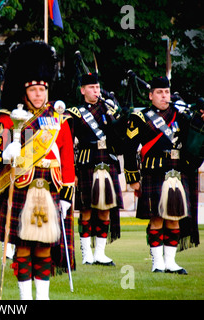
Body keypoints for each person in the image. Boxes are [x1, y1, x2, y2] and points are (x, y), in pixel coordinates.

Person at [0, 41, 76, 300]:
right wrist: (6, 153)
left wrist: (68, 198)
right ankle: (26, 297)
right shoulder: (6, 118)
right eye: (34, 89)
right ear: (24, 91)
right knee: (23, 245)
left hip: (52, 184)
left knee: (45, 244)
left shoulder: (59, 120)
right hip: (22, 184)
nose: (39, 94)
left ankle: (43, 296)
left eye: (42, 89)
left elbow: (68, 159)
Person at [124, 76, 195, 274]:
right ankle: (157, 263)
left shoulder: (181, 116)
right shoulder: (140, 118)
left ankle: (171, 262)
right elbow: (129, 150)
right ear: (150, 95)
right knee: (156, 217)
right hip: (153, 171)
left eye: (166, 92)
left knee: (174, 217)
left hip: (176, 172)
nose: (164, 96)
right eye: (159, 92)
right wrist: (132, 179)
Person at [68, 72, 123, 266]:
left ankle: (100, 253)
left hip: (107, 162)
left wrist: (115, 113)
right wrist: (72, 172)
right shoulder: (75, 112)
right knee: (86, 209)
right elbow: (68, 143)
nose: (96, 91)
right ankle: (86, 255)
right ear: (83, 90)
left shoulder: (109, 109)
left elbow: (120, 134)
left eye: (98, 87)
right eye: (91, 88)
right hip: (86, 162)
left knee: (105, 208)